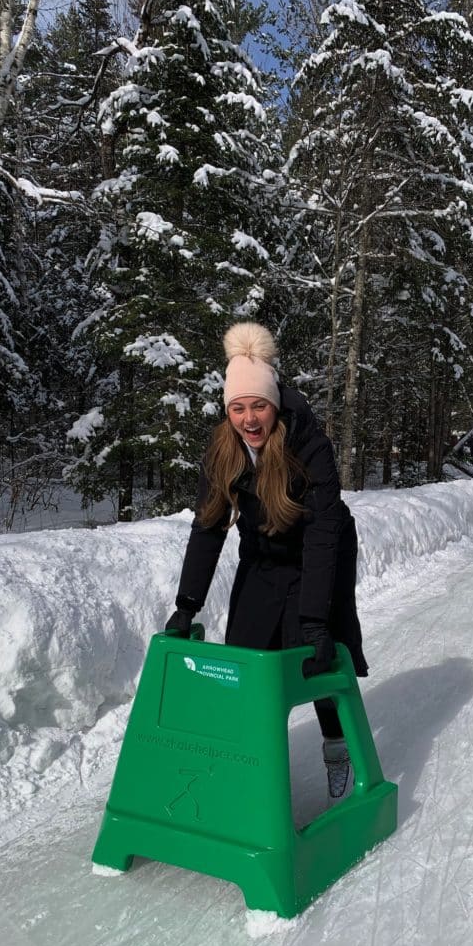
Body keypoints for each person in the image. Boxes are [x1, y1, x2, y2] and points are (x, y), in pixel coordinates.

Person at [165, 322, 365, 801]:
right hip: (264, 557)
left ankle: (337, 745)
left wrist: (315, 618)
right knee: (245, 657)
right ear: (227, 410)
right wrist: (187, 604)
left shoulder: (308, 445)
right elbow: (209, 526)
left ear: (274, 403)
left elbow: (321, 533)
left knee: (314, 656)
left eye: (258, 406)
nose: (249, 419)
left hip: (322, 551)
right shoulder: (223, 451)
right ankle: (245, 760)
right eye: (238, 408)